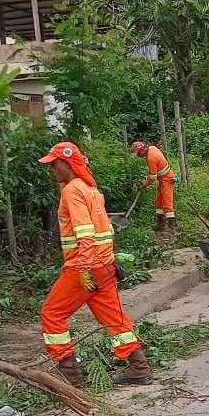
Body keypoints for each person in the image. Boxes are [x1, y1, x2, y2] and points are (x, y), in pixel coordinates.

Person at [38, 142, 153, 388]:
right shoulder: (92, 189)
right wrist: (108, 260)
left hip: (85, 266)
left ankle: (69, 374)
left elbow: (85, 234)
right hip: (103, 265)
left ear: (67, 164)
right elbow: (106, 230)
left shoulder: (73, 190)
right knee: (114, 318)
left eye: (55, 164)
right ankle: (139, 367)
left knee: (52, 314)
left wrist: (82, 269)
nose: (52, 170)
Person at [131, 141, 176, 233]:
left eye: (138, 153)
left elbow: (152, 177)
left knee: (167, 202)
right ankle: (160, 225)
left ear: (142, 150)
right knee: (158, 202)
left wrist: (144, 185)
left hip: (167, 179)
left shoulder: (150, 158)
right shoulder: (152, 148)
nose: (139, 156)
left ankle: (173, 226)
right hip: (163, 179)